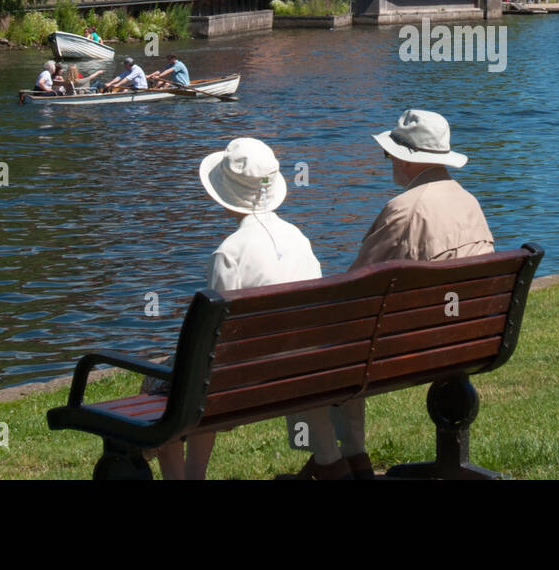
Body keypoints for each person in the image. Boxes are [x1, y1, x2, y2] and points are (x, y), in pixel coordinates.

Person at [303, 110, 494, 479]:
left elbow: (353, 290)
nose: (388, 159)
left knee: (324, 344)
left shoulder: (403, 210)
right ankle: (348, 456)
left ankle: (333, 459)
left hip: (416, 349)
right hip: (475, 339)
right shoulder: (469, 202)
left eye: (389, 153)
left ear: (408, 158)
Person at [151, 138, 325, 480]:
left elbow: (212, 339)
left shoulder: (229, 252)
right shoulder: (299, 239)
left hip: (240, 383)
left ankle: (186, 477)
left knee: (161, 387)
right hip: (301, 370)